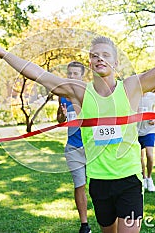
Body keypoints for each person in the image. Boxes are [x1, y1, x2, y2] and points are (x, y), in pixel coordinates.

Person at [0, 18, 155, 233]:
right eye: (94, 55)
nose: (99, 58)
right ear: (90, 62)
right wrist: (5, 54)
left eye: (105, 55)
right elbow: (39, 74)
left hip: (129, 179)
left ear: (115, 62)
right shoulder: (79, 91)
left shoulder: (131, 87)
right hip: (99, 181)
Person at [56, 61, 91, 233]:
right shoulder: (62, 95)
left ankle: (105, 218)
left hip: (92, 147)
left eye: (75, 74)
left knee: (100, 185)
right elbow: (60, 120)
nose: (71, 76)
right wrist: (62, 115)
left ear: (82, 76)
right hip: (73, 147)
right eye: (69, 73)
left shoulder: (90, 93)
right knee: (79, 185)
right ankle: (84, 224)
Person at [137, 92, 155, 192]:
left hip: (149, 130)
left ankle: (149, 178)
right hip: (136, 131)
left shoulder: (152, 96)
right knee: (140, 157)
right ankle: (143, 178)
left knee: (149, 155)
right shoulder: (134, 95)